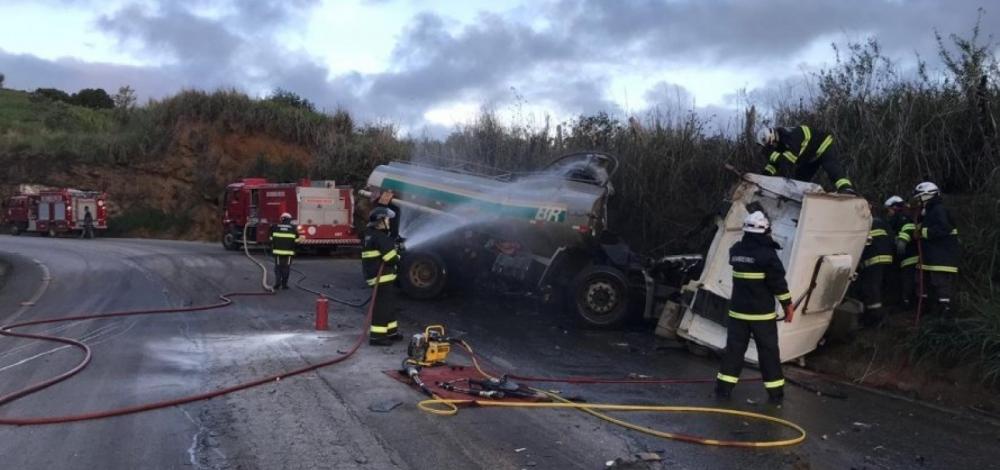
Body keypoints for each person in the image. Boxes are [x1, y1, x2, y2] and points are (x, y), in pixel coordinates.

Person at [716, 210, 793, 405]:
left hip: (737, 314)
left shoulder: (736, 251)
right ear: (766, 231)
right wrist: (788, 307)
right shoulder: (768, 255)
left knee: (733, 351)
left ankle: (723, 389)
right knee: (768, 353)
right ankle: (776, 395)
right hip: (761, 316)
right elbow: (779, 285)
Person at [759, 125, 856, 194]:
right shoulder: (780, 144)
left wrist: (771, 154)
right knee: (800, 181)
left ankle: (847, 189)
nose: (773, 147)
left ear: (773, 138)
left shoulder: (790, 136)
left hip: (822, 146)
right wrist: (762, 178)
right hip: (809, 157)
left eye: (771, 145)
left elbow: (787, 161)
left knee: (831, 167)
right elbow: (775, 163)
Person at [912, 182, 960, 316]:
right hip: (931, 257)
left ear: (926, 196)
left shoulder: (938, 209)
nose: (918, 201)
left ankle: (946, 313)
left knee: (941, 284)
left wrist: (922, 232)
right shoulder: (929, 211)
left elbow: (944, 228)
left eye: (919, 198)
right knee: (924, 282)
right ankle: (929, 311)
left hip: (941, 257)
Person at [363, 206, 403, 345]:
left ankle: (391, 332)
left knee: (389, 305)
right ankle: (377, 337)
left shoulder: (369, 234)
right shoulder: (380, 237)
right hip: (382, 278)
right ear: (380, 221)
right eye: (386, 219)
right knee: (382, 307)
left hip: (376, 277)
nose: (388, 221)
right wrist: (399, 253)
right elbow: (391, 258)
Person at [857, 202, 894, 327]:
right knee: (880, 287)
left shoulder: (863, 224)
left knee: (871, 288)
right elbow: (891, 237)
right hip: (887, 260)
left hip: (873, 260)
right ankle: (880, 315)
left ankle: (877, 317)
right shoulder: (880, 222)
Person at [885, 196, 918, 310]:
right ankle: (904, 302)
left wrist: (902, 240)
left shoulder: (903, 217)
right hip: (903, 257)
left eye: (888, 209)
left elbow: (908, 227)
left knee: (907, 280)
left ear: (894, 207)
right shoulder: (897, 218)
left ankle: (906, 303)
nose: (888, 212)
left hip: (909, 255)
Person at [269, 212, 298, 290]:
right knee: (286, 268)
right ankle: (284, 285)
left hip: (278, 253)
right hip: (288, 253)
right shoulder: (293, 228)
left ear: (282, 219)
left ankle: (277, 283)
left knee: (278, 268)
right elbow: (297, 240)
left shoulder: (275, 227)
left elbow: (270, 239)